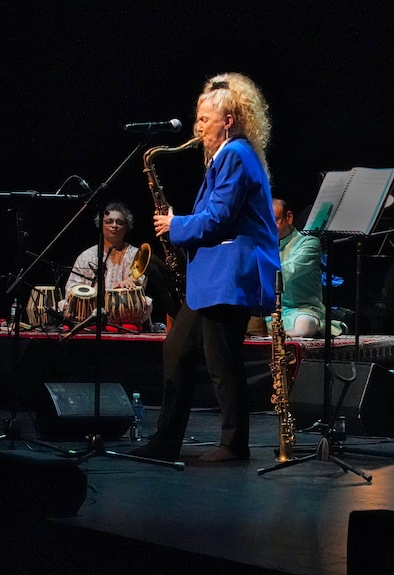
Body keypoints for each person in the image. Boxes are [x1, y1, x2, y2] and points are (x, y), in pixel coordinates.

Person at [132, 72, 280, 462]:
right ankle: (169, 442)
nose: (197, 127)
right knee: (181, 353)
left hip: (229, 275)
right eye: (197, 118)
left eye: (204, 119)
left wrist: (175, 225)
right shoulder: (229, 156)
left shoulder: (234, 154)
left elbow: (219, 218)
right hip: (216, 277)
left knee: (220, 362)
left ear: (228, 120)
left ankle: (232, 445)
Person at [248, 197, 343, 338]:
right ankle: (269, 334)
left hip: (302, 310)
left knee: (305, 324)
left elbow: (288, 271)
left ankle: (278, 338)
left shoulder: (309, 243)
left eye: (275, 220)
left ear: (289, 217)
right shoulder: (262, 247)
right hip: (271, 313)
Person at [59, 201, 153, 328]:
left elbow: (140, 279)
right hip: (89, 313)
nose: (114, 226)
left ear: (126, 227)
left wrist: (131, 281)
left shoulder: (136, 254)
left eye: (119, 223)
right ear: (101, 225)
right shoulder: (87, 256)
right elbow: (72, 287)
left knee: (145, 305)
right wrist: (84, 296)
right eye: (109, 221)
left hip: (124, 313)